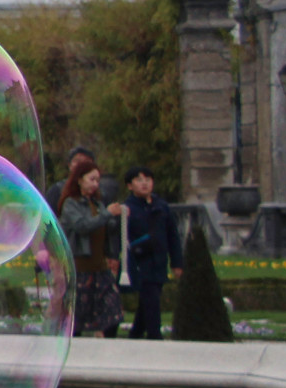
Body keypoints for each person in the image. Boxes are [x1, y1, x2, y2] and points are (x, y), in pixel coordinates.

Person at [57, 158, 128, 338]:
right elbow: (83, 226)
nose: (96, 184)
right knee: (77, 317)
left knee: (113, 311)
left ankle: (106, 344)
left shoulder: (97, 204)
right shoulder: (71, 204)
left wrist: (119, 217)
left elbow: (106, 229)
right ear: (79, 180)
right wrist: (107, 214)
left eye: (98, 180)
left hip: (100, 268)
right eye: (92, 179)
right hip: (80, 268)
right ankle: (76, 350)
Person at [121, 165, 183, 341]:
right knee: (151, 299)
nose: (144, 184)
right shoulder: (127, 208)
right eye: (139, 180)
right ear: (130, 185)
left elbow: (173, 236)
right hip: (140, 261)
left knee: (148, 301)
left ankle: (135, 334)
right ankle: (155, 336)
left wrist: (177, 262)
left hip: (159, 261)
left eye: (148, 180)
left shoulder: (161, 207)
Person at [45, 145, 96, 213]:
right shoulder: (57, 190)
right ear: (69, 165)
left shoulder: (99, 191)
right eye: (77, 161)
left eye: (86, 162)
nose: (81, 165)